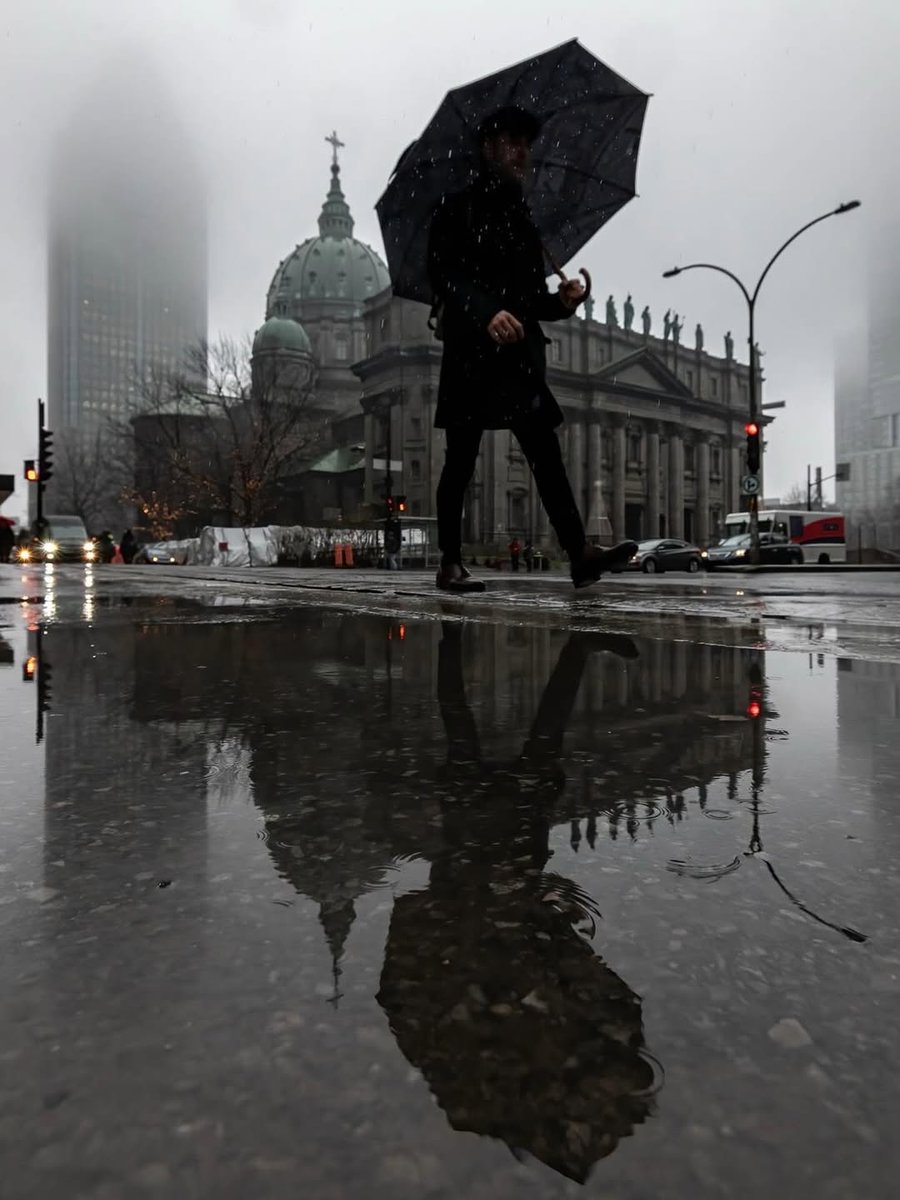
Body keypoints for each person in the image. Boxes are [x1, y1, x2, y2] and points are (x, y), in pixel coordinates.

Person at [427, 106, 637, 593]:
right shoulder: (455, 208)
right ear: (488, 148)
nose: (523, 152)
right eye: (512, 142)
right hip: (471, 354)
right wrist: (486, 313)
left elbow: (527, 298)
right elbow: (444, 276)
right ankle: (450, 561)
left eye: (526, 143)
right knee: (461, 459)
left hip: (518, 358)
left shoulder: (523, 218)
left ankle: (579, 553)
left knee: (546, 454)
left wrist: (561, 303)